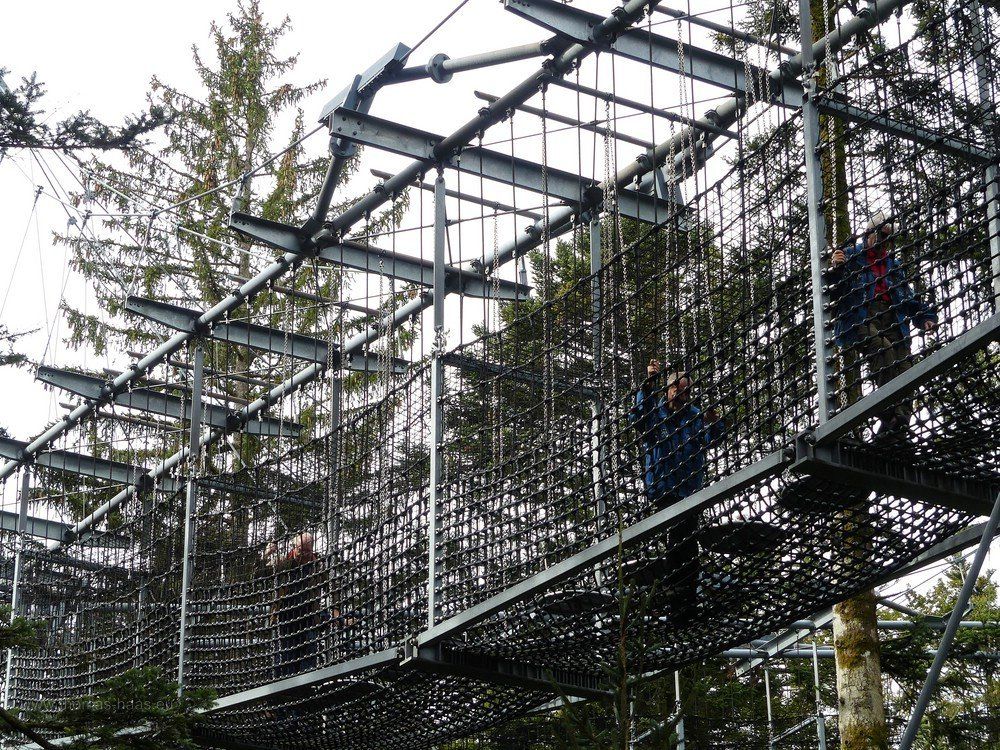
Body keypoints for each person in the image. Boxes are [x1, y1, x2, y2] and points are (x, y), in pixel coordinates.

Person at [629, 360, 725, 621]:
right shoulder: (655, 416)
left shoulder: (694, 416)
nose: (680, 394)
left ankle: (683, 601)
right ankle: (676, 597)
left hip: (689, 489)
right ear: (668, 390)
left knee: (686, 543)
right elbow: (637, 418)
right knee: (677, 540)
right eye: (676, 389)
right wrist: (648, 383)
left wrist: (714, 421)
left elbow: (713, 439)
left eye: (685, 390)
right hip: (662, 488)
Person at [829, 211, 937, 439]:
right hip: (861, 315)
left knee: (906, 366)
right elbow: (833, 290)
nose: (882, 241)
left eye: (888, 237)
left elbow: (906, 298)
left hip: (892, 317)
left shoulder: (892, 265)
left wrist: (924, 316)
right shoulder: (851, 256)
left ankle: (898, 425)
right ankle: (887, 412)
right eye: (880, 235)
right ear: (868, 233)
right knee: (884, 350)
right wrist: (836, 268)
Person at [263, 532, 324, 679]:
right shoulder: (284, 563)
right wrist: (266, 555)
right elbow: (259, 575)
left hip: (309, 619)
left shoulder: (318, 566)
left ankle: (306, 690)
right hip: (286, 620)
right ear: (294, 548)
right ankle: (285, 690)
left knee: (308, 660)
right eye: (301, 550)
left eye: (307, 551)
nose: (304, 554)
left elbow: (332, 587)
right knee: (286, 660)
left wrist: (336, 612)